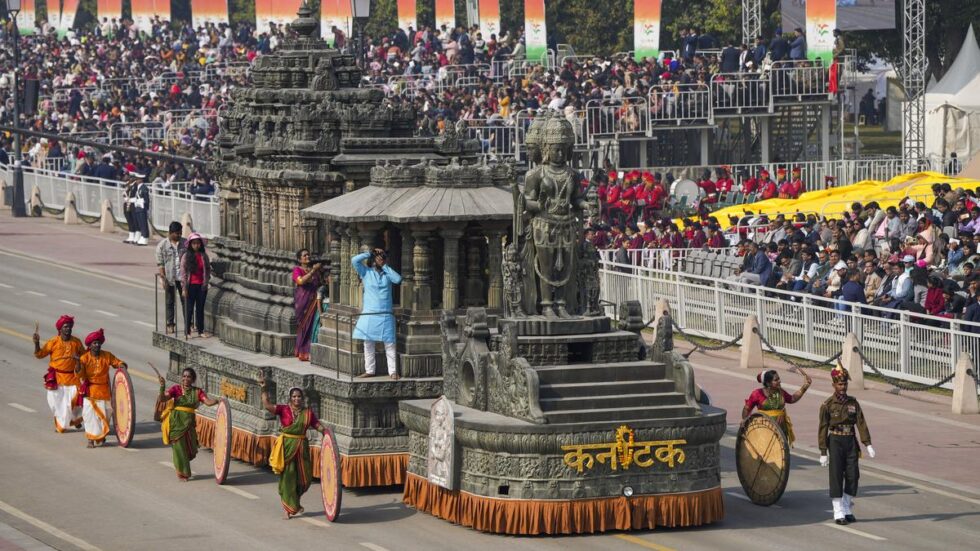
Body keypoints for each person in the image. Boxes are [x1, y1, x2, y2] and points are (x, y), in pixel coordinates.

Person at [259, 376, 328, 518]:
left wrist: (328, 434)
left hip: (302, 449)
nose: (297, 399)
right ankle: (289, 508)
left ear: (302, 398)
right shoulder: (283, 409)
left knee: (305, 479)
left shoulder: (307, 413)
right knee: (288, 477)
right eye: (294, 396)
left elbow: (317, 425)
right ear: (290, 398)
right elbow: (267, 405)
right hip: (287, 447)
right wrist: (264, 388)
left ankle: (295, 501)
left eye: (299, 397)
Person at [818, 365, 875, 525]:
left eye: (845, 384)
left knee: (853, 476)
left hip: (850, 441)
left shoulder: (853, 403)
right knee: (836, 476)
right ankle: (838, 512)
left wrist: (867, 443)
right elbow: (822, 428)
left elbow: (861, 422)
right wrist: (823, 451)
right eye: (840, 384)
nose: (843, 387)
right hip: (835, 440)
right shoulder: (827, 405)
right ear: (834, 385)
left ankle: (846, 506)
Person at [157, 368, 219, 480]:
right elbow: (163, 399)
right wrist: (162, 387)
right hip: (176, 422)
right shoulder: (175, 389)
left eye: (188, 376)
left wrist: (219, 400)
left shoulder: (198, 392)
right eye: (184, 376)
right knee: (178, 447)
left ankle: (183, 468)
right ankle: (183, 472)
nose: (185, 378)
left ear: (193, 379)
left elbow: (208, 402)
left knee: (190, 447)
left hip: (189, 423)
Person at [352, 248, 403, 379]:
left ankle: (392, 371)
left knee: (389, 343)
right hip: (370, 313)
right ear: (374, 260)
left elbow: (398, 279)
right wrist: (370, 253)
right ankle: (369, 370)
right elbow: (354, 260)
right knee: (368, 343)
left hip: (385, 313)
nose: (381, 259)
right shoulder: (366, 272)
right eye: (379, 258)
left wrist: (384, 266)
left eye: (383, 258)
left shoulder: (387, 273)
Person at [75, 329, 127, 447]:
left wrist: (122, 366)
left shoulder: (106, 355)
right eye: (94, 343)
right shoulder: (84, 358)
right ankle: (90, 439)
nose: (97, 345)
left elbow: (117, 362)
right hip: (90, 391)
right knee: (90, 416)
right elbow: (79, 375)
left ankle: (101, 436)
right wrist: (78, 363)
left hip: (104, 391)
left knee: (106, 414)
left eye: (98, 342)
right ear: (89, 345)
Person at [34, 315, 86, 432]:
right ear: (60, 329)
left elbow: (84, 357)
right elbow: (39, 355)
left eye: (70, 327)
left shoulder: (76, 342)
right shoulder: (53, 342)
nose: (68, 329)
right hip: (56, 378)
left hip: (72, 377)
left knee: (76, 400)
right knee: (57, 404)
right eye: (66, 327)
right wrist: (37, 344)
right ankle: (62, 425)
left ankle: (74, 419)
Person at [742, 368, 811, 446]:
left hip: (781, 429)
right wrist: (745, 424)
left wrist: (805, 386)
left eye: (779, 379)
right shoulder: (757, 394)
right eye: (776, 380)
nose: (779, 381)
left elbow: (792, 399)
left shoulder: (780, 392)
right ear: (768, 383)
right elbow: (747, 409)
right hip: (764, 429)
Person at [292, 249, 324, 362]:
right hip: (303, 302)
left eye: (308, 255)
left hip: (314, 300)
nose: (307, 257)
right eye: (304, 255)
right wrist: (312, 271)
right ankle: (302, 351)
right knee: (304, 326)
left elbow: (320, 283)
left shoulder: (314, 269)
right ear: (299, 259)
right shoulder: (297, 270)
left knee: (312, 326)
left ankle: (310, 351)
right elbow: (300, 281)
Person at [156, 221, 186, 335]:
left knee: (185, 301)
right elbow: (160, 263)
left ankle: (189, 323)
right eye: (177, 233)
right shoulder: (162, 246)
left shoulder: (185, 243)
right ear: (170, 233)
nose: (179, 235)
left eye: (180, 233)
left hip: (182, 278)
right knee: (170, 302)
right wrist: (163, 279)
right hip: (170, 278)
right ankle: (170, 324)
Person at [179, 233, 211, 338]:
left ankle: (200, 330)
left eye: (198, 243)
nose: (196, 245)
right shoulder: (186, 256)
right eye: (194, 243)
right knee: (189, 309)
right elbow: (183, 273)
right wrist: (184, 288)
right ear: (190, 244)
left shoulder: (203, 255)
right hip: (190, 286)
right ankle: (187, 331)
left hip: (201, 286)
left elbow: (207, 269)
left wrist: (207, 281)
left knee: (200, 309)